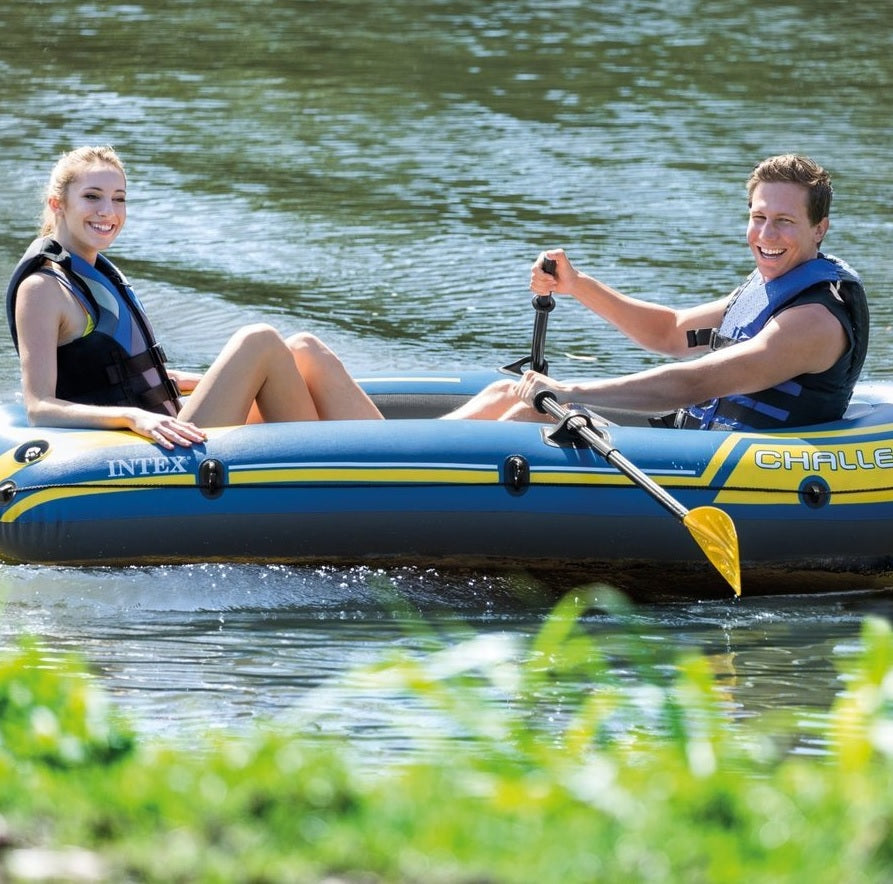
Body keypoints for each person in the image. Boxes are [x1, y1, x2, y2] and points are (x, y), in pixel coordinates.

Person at [445, 153, 869, 431]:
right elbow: (669, 332)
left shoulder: (815, 320)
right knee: (507, 391)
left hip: (730, 462)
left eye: (784, 221)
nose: (765, 234)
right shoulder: (769, 287)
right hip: (694, 437)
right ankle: (389, 458)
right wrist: (577, 285)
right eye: (758, 217)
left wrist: (569, 392)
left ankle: (401, 482)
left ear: (820, 229)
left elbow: (698, 381)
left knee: (530, 410)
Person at [6, 146, 383, 450]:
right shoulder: (43, 289)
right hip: (137, 447)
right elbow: (40, 407)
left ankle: (398, 458)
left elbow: (116, 372)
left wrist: (195, 380)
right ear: (58, 204)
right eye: (92, 197)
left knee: (303, 349)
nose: (108, 211)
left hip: (170, 424)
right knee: (259, 340)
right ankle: (336, 478)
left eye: (118, 199)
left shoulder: (94, 275)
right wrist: (133, 418)